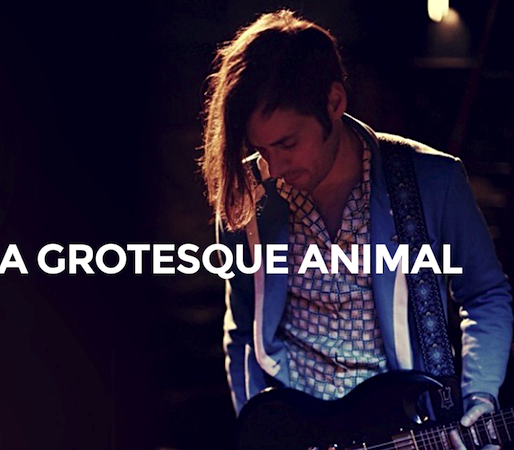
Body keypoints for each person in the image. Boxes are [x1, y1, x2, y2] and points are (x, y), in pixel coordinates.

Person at [200, 9, 512, 450]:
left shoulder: (433, 181)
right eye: (261, 149)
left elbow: (485, 294)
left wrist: (480, 393)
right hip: (298, 434)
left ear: (334, 102)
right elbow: (242, 326)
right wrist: (256, 425)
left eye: (288, 143)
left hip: (404, 430)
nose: (274, 167)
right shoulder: (246, 197)